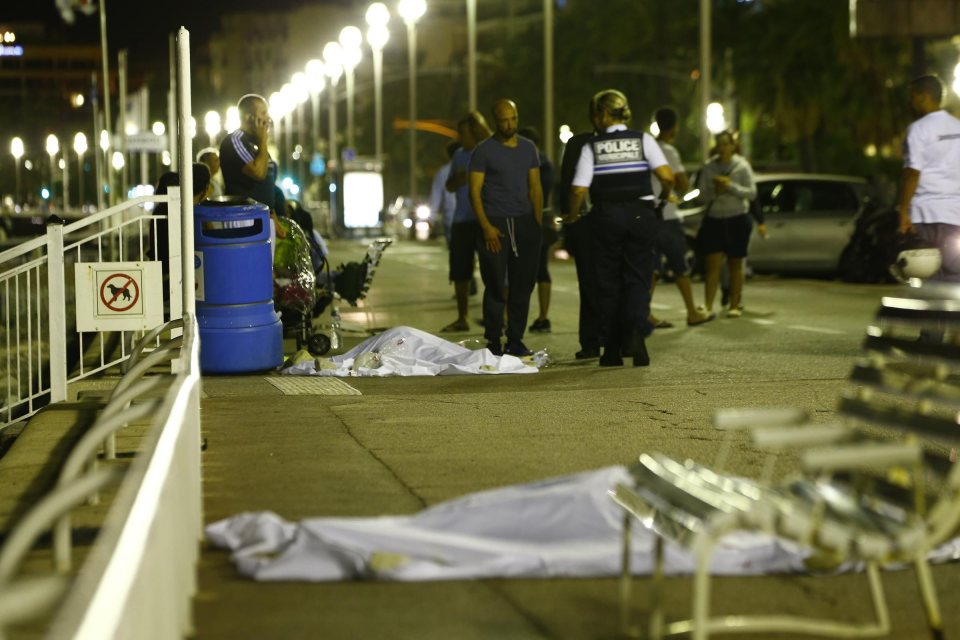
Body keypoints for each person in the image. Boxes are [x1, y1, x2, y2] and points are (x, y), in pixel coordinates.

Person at [568, 89, 673, 367]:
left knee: (609, 282)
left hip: (607, 217)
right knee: (638, 279)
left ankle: (612, 349)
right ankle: (637, 337)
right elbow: (666, 176)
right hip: (641, 215)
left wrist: (572, 214)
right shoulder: (643, 140)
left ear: (604, 114)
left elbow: (579, 189)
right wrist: (662, 198)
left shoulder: (593, 147)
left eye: (596, 114)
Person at [468, 99, 543, 357]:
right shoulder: (483, 151)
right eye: (504, 120)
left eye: (513, 118)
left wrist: (536, 223)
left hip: (524, 223)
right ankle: (493, 340)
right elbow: (474, 191)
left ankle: (516, 339)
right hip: (495, 223)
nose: (509, 124)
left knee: (523, 285)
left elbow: (535, 187)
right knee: (496, 285)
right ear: (495, 121)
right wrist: (486, 226)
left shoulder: (528, 148)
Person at [651, 107, 715, 327]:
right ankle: (691, 312)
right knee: (680, 265)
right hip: (667, 216)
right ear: (674, 127)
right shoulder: (669, 151)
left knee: (653, 267)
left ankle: (644, 313)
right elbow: (682, 183)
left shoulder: (646, 148)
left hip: (649, 215)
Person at [898, 74, 960, 283]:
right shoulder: (958, 127)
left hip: (926, 214)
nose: (911, 102)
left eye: (913, 97)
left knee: (927, 271)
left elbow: (912, 173)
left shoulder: (918, 129)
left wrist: (903, 210)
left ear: (924, 97)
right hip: (955, 214)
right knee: (955, 271)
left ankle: (931, 313)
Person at [696, 130, 763, 317]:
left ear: (733, 146)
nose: (723, 148)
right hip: (715, 219)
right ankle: (708, 306)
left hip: (737, 218)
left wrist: (730, 186)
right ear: (715, 146)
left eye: (727, 144)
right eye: (720, 144)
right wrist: (715, 191)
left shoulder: (742, 166)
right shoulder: (709, 167)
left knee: (735, 263)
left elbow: (751, 193)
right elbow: (701, 195)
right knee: (713, 264)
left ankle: (735, 304)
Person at [441, 112, 492, 333]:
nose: (459, 137)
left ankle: (498, 316)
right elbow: (449, 186)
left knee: (492, 270)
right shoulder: (459, 156)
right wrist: (458, 180)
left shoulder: (489, 152)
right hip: (462, 220)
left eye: (462, 133)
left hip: (485, 219)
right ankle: (462, 317)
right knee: (460, 272)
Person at [518, 126, 556, 334]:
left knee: (524, 270)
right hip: (545, 218)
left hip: (529, 219)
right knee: (542, 268)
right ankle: (543, 316)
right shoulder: (546, 162)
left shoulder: (529, 162)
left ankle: (517, 317)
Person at [219, 94, 277, 212]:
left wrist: (272, 212)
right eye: (263, 113)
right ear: (248, 117)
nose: (268, 118)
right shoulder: (234, 140)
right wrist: (263, 140)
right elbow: (259, 173)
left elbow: (268, 183)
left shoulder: (257, 142)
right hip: (243, 216)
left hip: (263, 216)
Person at [429, 141, 460, 243]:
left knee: (455, 252)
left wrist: (431, 219)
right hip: (469, 217)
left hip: (450, 217)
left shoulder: (442, 172)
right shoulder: (471, 167)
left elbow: (436, 196)